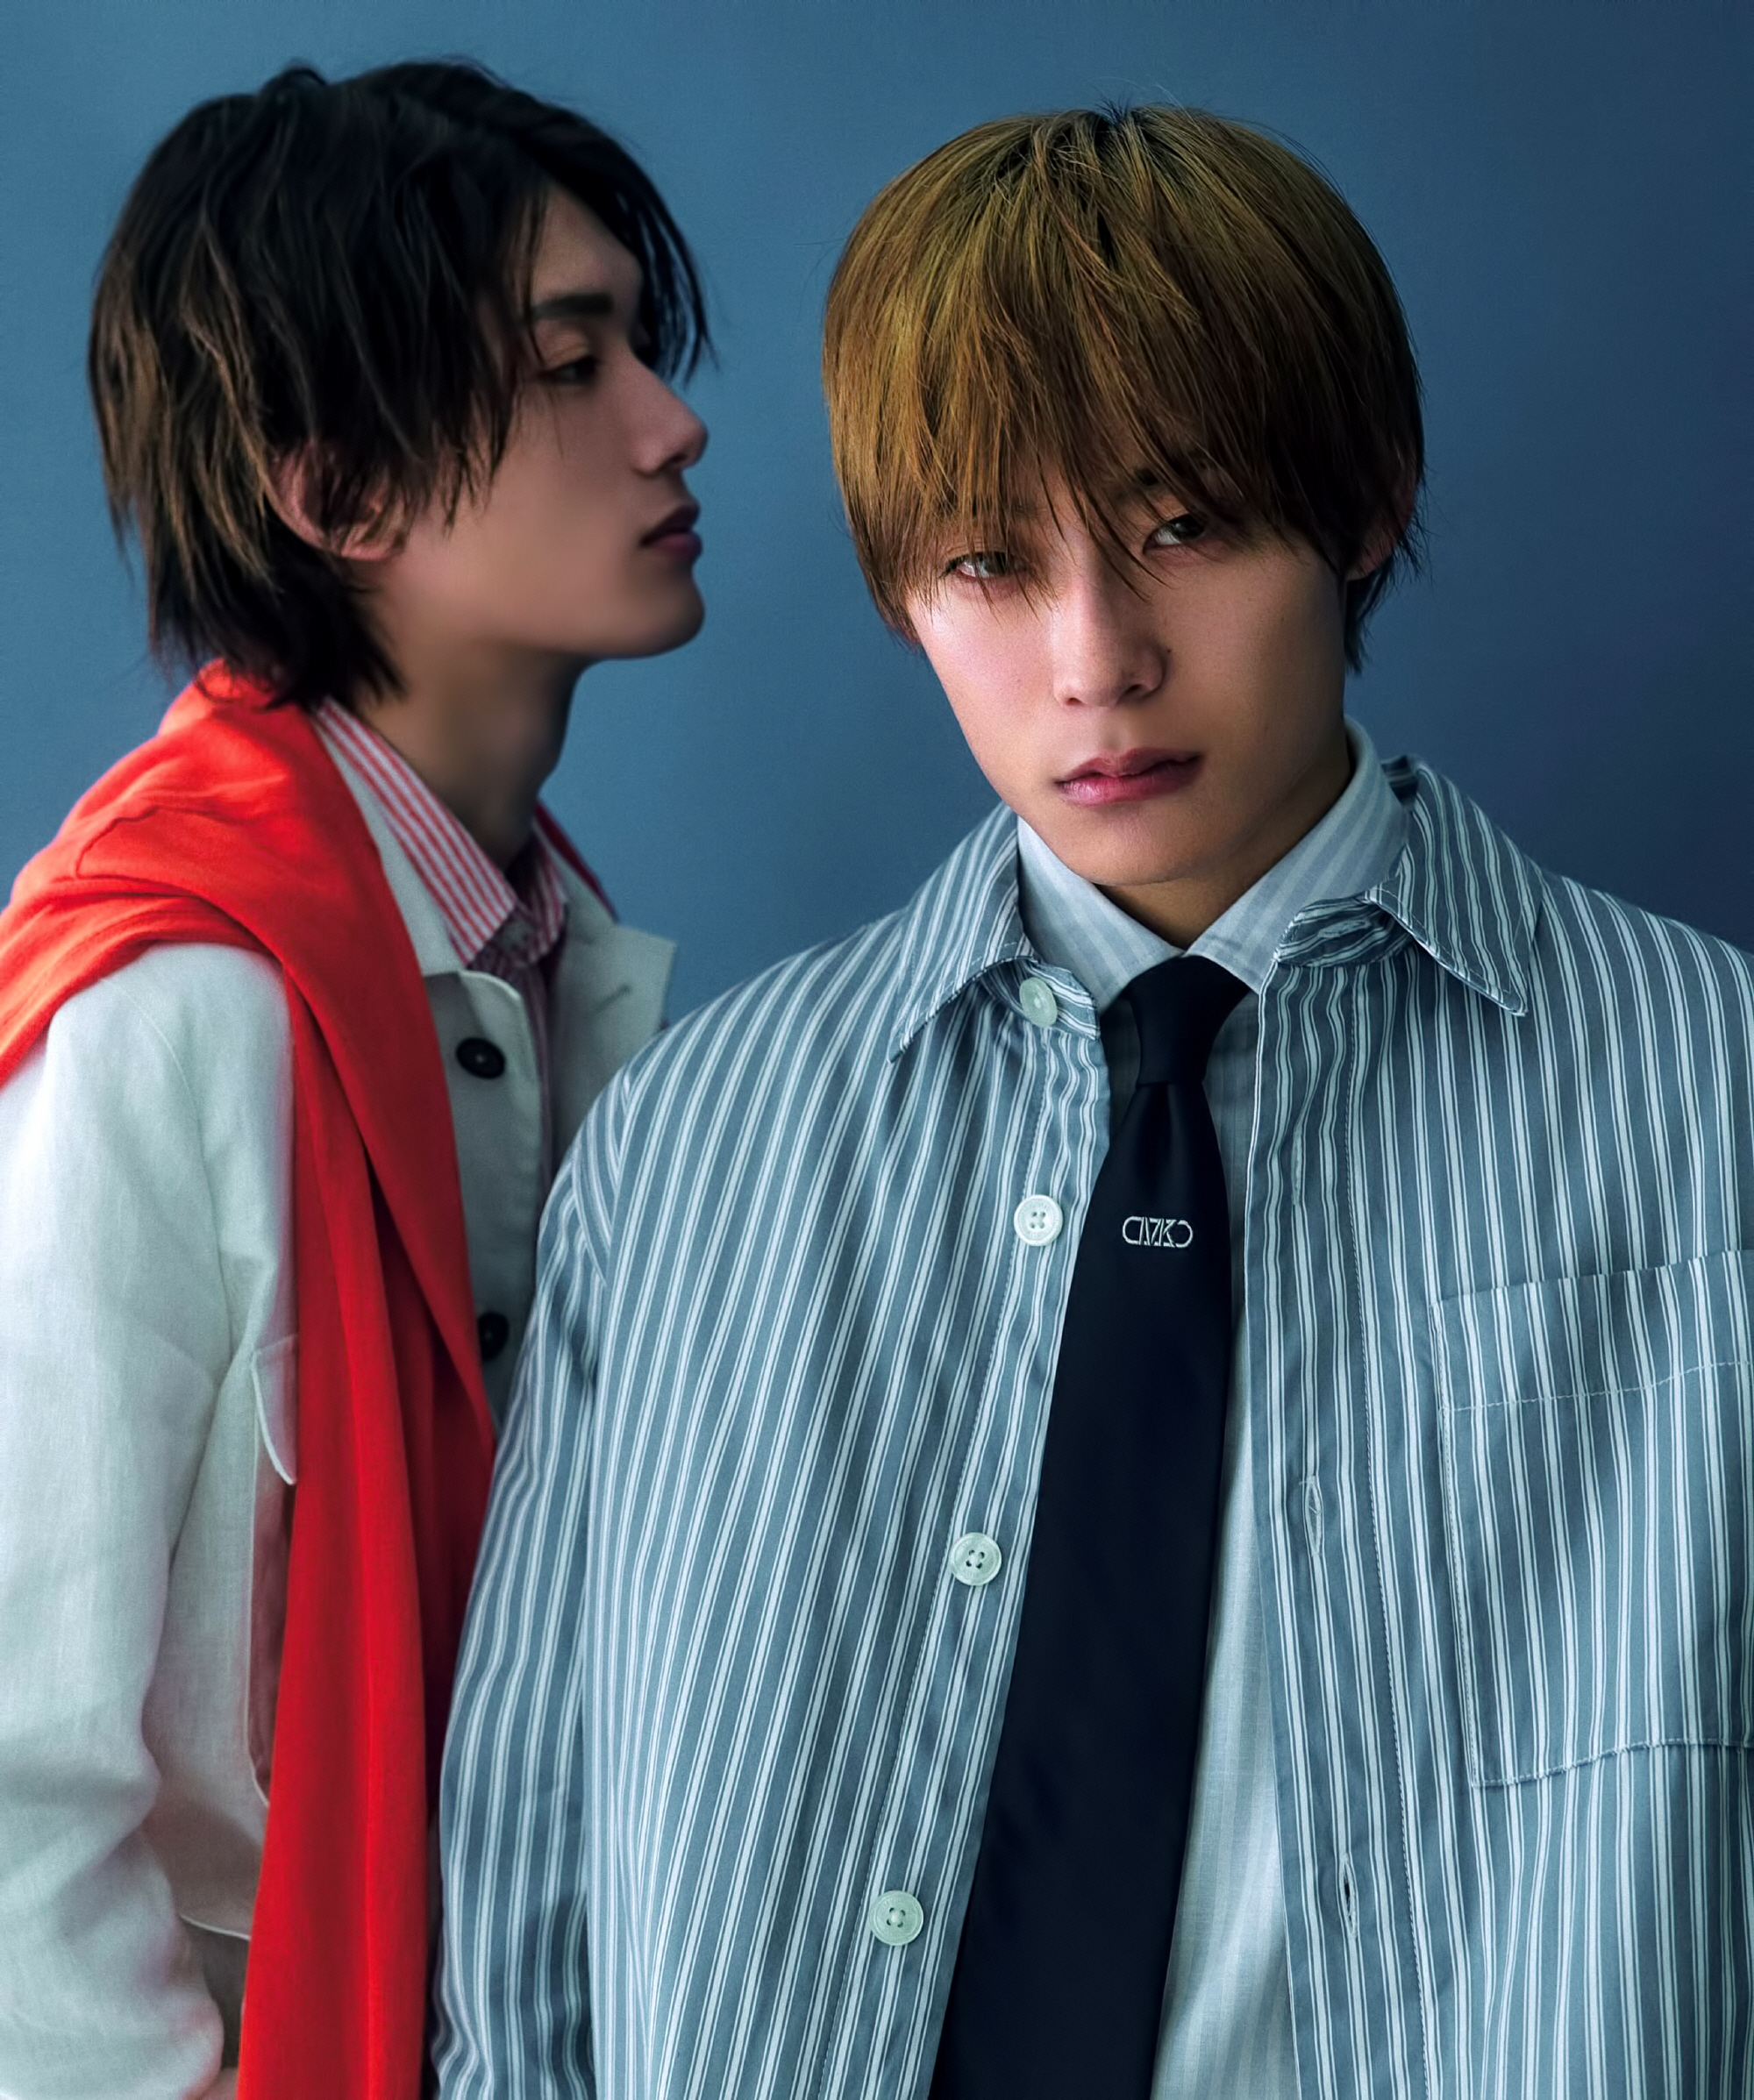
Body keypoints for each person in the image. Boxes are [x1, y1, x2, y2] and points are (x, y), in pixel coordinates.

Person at [436, 105, 1754, 2099]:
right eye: (988, 562)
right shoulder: (696, 1152)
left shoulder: (1710, 1104)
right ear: (902, 591)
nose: (1096, 660)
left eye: (1185, 528)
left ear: (1367, 504)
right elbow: (524, 1940)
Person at [0, 59, 709, 2100]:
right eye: (571, 364)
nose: (671, 422)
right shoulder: (172, 1002)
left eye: (641, 347)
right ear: (336, 494)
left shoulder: (560, 961)